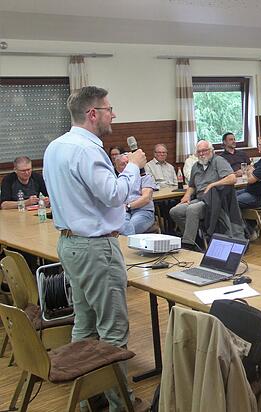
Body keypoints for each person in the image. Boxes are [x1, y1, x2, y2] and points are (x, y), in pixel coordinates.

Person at [43, 86, 147, 410]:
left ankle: (91, 398)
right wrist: (133, 167)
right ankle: (121, 404)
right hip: (95, 248)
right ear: (93, 114)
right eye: (109, 109)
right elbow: (114, 195)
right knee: (113, 330)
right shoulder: (87, 150)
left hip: (70, 244)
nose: (113, 114)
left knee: (84, 325)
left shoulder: (55, 147)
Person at [169, 140, 236, 249]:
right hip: (199, 198)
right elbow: (192, 186)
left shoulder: (219, 161)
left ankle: (188, 245)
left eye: (204, 150)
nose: (201, 154)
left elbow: (232, 178)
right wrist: (187, 196)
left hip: (214, 201)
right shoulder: (196, 166)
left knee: (192, 209)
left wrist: (213, 185)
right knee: (175, 211)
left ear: (211, 150)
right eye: (199, 151)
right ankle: (196, 240)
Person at [113, 154, 157, 235]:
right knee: (119, 227)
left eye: (128, 163)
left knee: (128, 229)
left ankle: (126, 247)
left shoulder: (144, 177)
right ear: (117, 168)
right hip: (123, 212)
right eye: (123, 164)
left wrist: (127, 206)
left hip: (143, 211)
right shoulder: (116, 181)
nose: (126, 166)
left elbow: (146, 198)